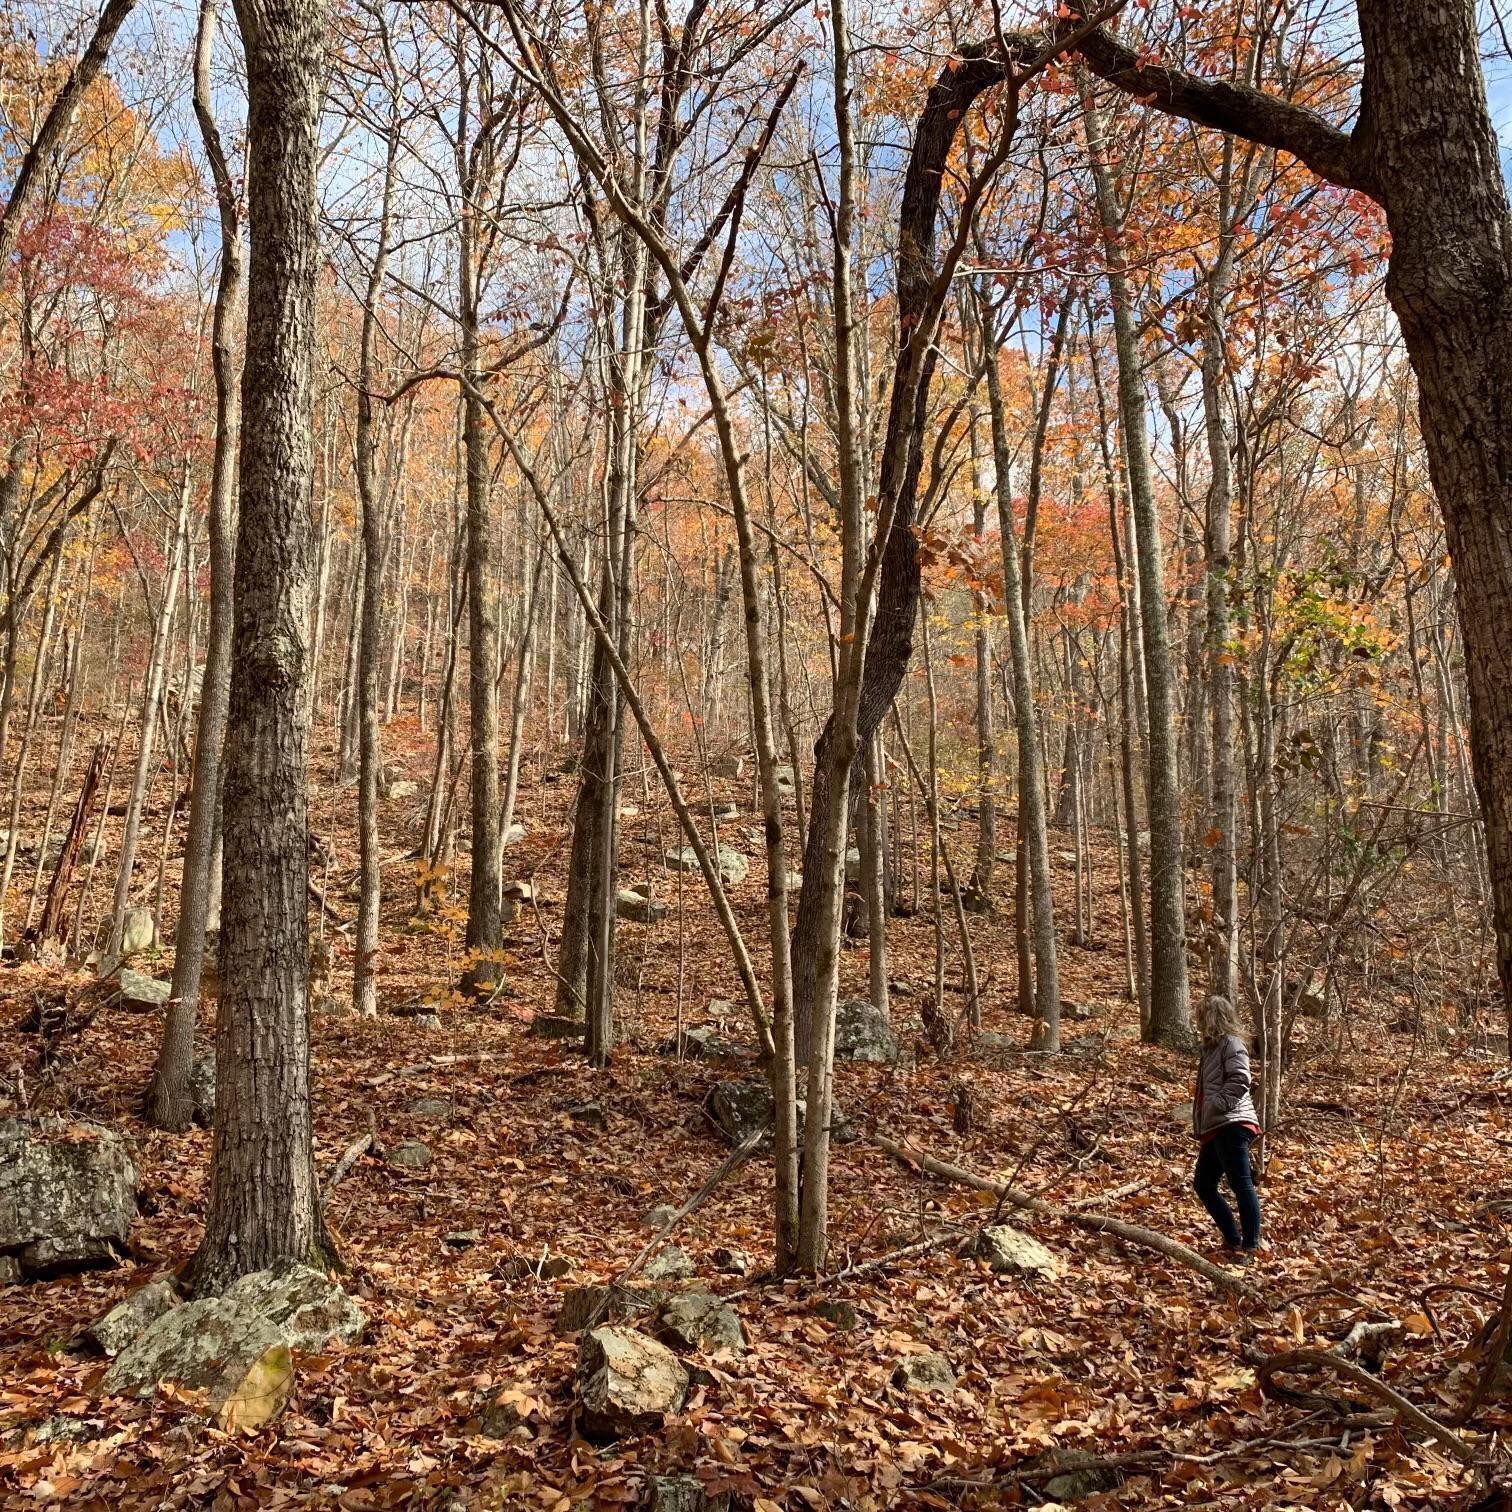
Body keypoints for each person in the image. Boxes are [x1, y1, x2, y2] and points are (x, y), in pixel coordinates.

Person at [1192, 994, 1263, 1262]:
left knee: (1241, 1184)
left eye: (1201, 1016)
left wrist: (1216, 1106)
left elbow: (1240, 1079)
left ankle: (1250, 1246)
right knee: (1203, 1184)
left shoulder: (1231, 1043)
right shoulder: (1211, 1049)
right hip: (1216, 1126)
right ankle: (1233, 1239)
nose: (1197, 1022)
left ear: (1211, 1017)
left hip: (1231, 1123)